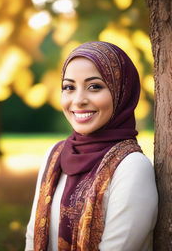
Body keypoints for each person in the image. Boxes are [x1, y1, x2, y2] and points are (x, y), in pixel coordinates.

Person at [25, 41, 158, 251]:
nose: (78, 100)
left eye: (95, 86)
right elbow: (33, 239)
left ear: (122, 91)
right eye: (69, 87)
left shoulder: (132, 167)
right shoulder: (55, 155)